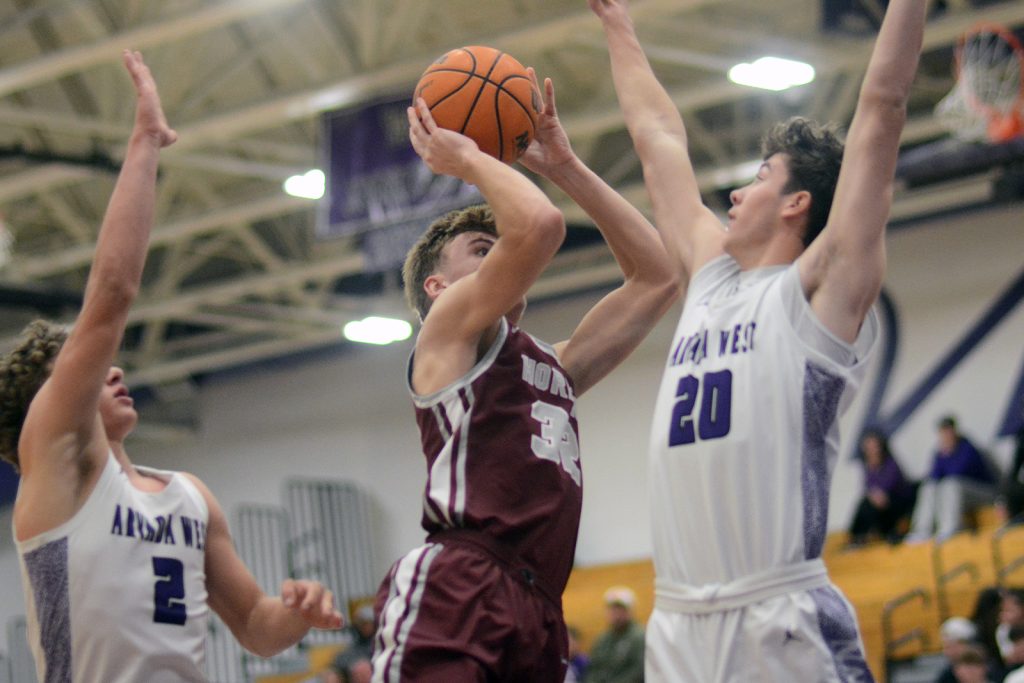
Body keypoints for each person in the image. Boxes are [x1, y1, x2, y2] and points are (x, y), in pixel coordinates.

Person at [590, 0, 927, 680]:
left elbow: (882, 108)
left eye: (760, 178)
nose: (736, 194)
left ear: (798, 203)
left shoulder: (821, 291)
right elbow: (657, 138)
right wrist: (618, 27)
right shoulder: (710, 278)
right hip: (679, 623)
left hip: (780, 615)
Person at [0, 52, 341, 683]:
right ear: (45, 406)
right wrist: (145, 145)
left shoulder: (190, 495)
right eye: (85, 366)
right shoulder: (55, 464)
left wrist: (299, 610)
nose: (110, 370)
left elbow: (258, 629)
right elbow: (111, 296)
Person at [370, 71, 678, 682]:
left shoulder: (549, 365)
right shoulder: (445, 331)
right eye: (482, 249)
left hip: (539, 606)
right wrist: (467, 159)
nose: (501, 254)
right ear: (438, 287)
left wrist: (564, 165)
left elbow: (658, 275)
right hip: (462, 581)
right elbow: (538, 227)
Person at [908, 416, 997, 542]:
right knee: (929, 487)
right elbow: (933, 477)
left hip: (985, 493)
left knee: (951, 484)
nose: (946, 435)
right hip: (961, 495)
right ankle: (922, 530)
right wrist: (943, 456)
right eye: (943, 432)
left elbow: (958, 472)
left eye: (949, 430)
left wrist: (947, 455)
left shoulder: (967, 448)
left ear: (955, 431)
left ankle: (950, 528)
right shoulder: (940, 452)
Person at [848, 429, 914, 546]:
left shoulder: (891, 463)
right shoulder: (867, 466)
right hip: (879, 504)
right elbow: (868, 487)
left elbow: (890, 487)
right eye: (869, 447)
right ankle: (856, 536)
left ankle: (859, 536)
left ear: (880, 446)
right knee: (865, 503)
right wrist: (874, 495)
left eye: (874, 446)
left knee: (869, 504)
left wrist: (876, 495)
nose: (872, 450)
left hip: (896, 503)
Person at [587, 587, 645, 683]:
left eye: (621, 609)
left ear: (630, 611)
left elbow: (638, 670)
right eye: (612, 609)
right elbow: (593, 667)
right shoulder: (603, 638)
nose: (616, 613)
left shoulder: (638, 637)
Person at [325, 604, 376, 683]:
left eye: (369, 623)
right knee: (331, 675)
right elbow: (342, 660)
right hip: (352, 672)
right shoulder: (355, 642)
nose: (366, 627)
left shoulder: (381, 641)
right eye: (363, 623)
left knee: (363, 669)